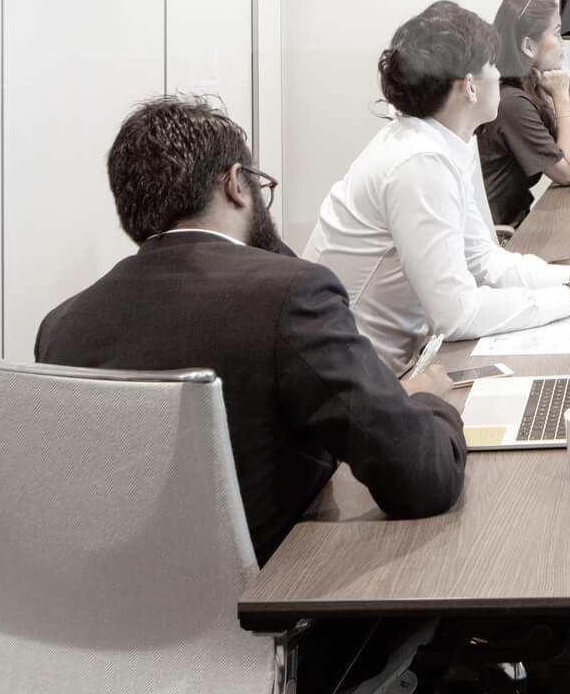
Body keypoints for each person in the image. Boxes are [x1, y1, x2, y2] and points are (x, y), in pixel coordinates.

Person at [35, 95, 467, 565]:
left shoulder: (61, 326)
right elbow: (423, 481)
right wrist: (423, 402)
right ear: (235, 186)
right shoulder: (292, 296)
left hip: (103, 610)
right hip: (264, 609)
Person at [305, 0, 570, 369]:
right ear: (469, 86)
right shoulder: (419, 162)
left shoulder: (447, 140)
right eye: (492, 65)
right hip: (354, 374)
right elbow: (455, 315)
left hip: (400, 361)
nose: (499, 75)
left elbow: (484, 261)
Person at [476, 0, 570, 228]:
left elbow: (566, 157)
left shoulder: (523, 91)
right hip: (504, 238)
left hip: (519, 225)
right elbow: (567, 173)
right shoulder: (512, 103)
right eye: (557, 33)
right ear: (528, 46)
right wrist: (561, 98)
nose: (563, 42)